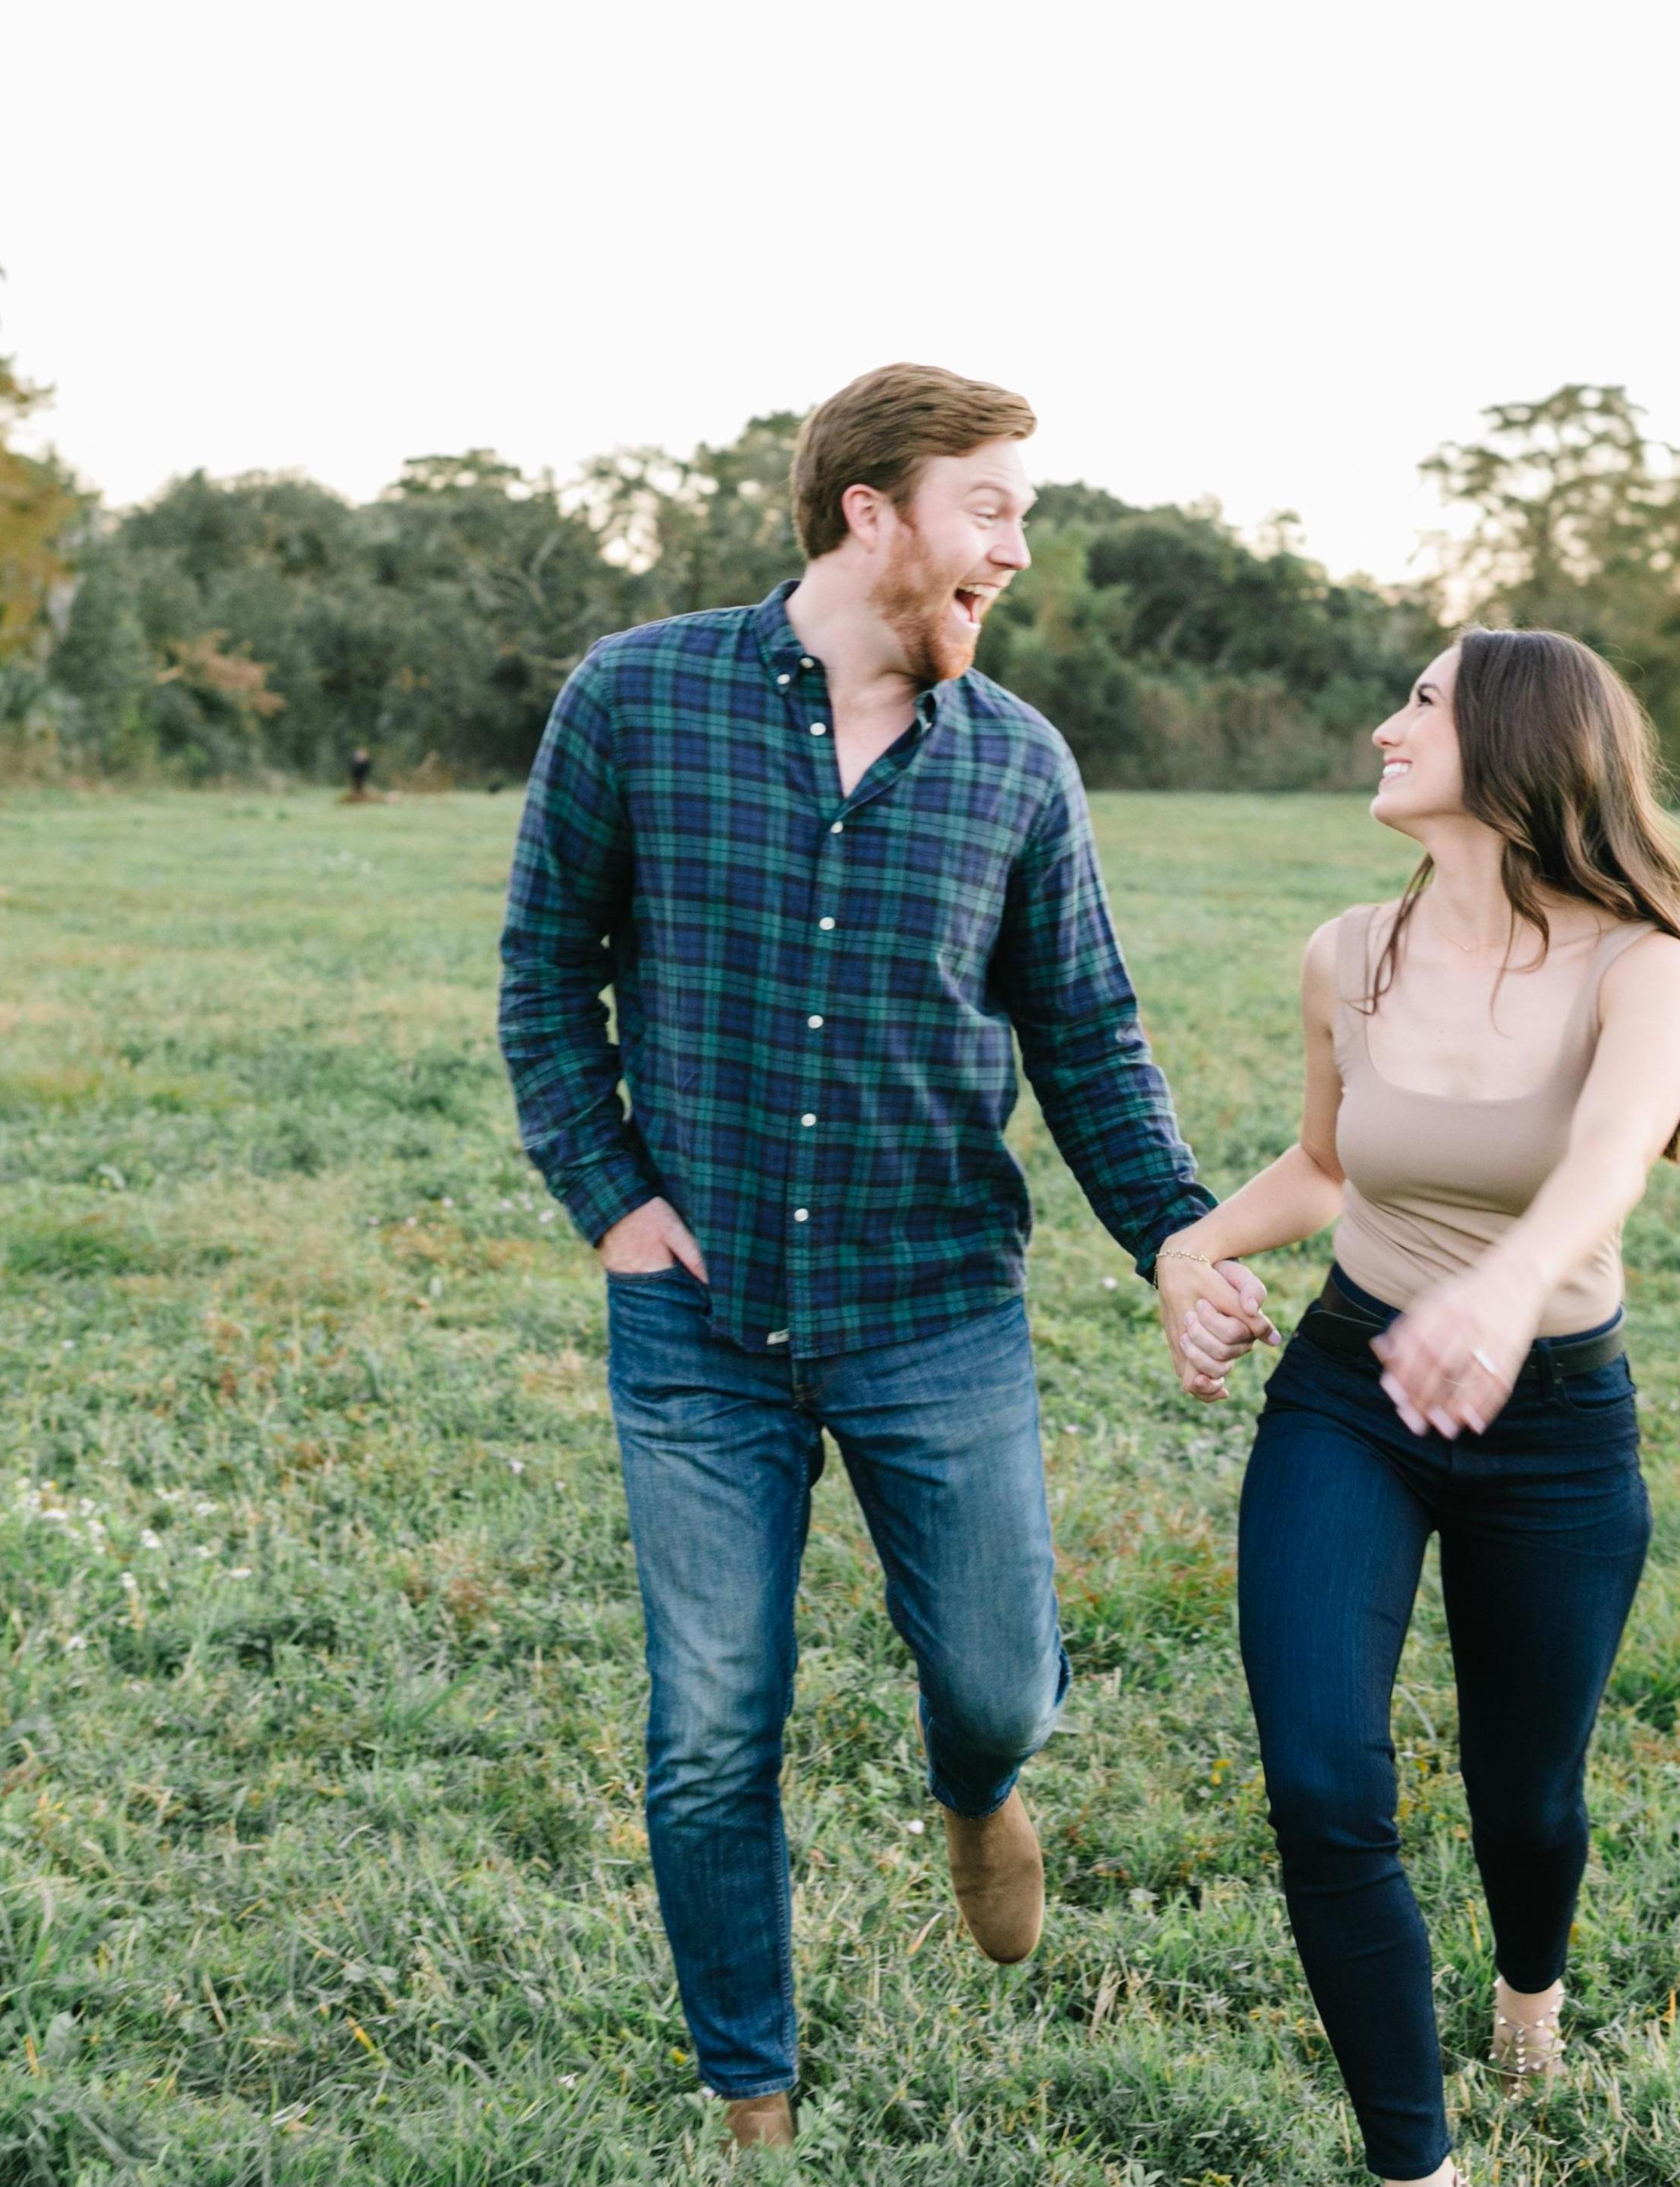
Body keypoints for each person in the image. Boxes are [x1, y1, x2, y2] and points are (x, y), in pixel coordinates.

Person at [497, 363, 1270, 2150]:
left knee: (999, 1677)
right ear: (876, 514)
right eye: (989, 505)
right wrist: (611, 1199)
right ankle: (754, 2109)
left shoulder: (1016, 762)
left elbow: (1087, 1034)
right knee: (712, 1728)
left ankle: (976, 1788)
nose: (1018, 543)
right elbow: (549, 972)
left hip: (934, 1313)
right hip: (698, 1322)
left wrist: (1172, 1237)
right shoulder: (639, 697)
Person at [1154, 629, 1680, 2187]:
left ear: (1521, 742)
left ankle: (1528, 1985)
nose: (1384, 729)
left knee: (1525, 1795)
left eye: (1422, 702)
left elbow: (1612, 1160)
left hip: (1549, 1421)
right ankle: (1419, 2166)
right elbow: (1329, 1166)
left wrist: (1506, 1284)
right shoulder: (1350, 954)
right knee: (1323, 1783)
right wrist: (1195, 1242)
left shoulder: (1642, 964)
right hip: (1352, 1393)